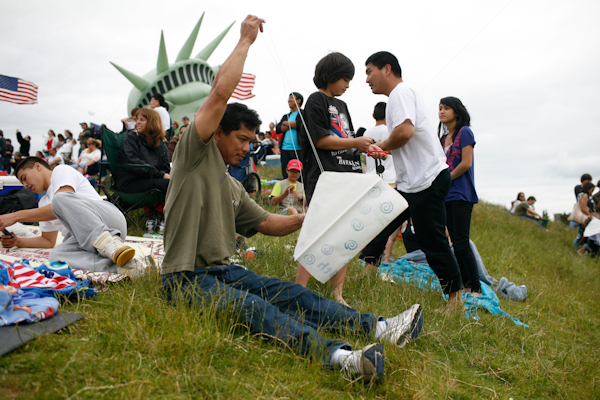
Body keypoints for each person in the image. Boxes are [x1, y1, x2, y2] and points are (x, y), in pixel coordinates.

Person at [161, 16, 423, 383]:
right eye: (240, 139)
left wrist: (309, 219)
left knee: (290, 294)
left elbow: (269, 224)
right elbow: (219, 94)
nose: (246, 148)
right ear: (216, 132)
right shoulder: (193, 156)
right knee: (254, 308)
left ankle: (381, 329)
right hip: (185, 278)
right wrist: (246, 41)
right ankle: (341, 358)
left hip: (225, 272)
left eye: (251, 141)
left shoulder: (232, 185)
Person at [365, 51, 463, 313]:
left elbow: (405, 131)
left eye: (369, 71)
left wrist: (381, 146)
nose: (366, 79)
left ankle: (456, 299)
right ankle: (366, 271)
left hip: (428, 180)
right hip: (411, 185)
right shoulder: (397, 97)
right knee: (384, 221)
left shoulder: (401, 93)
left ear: (387, 69)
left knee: (432, 241)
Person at [297, 52, 381, 307]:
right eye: (344, 79)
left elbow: (347, 139)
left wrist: (368, 149)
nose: (347, 85)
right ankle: (299, 289)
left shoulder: (342, 106)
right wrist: (356, 141)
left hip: (348, 174)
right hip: (324, 177)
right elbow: (321, 140)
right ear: (329, 76)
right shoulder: (315, 101)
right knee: (317, 232)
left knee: (346, 236)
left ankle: (338, 294)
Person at [0, 158, 148, 276]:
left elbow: (58, 205)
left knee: (59, 199)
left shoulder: (60, 171)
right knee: (56, 257)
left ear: (38, 166)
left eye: (24, 178)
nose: (25, 185)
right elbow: (47, 240)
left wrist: (16, 216)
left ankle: (108, 244)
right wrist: (17, 241)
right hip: (86, 242)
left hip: (108, 220)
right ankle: (128, 267)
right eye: (22, 183)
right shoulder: (43, 203)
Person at [438, 96, 481, 296]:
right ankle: (465, 285)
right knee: (454, 242)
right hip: (446, 196)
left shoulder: (465, 132)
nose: (442, 111)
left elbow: (466, 163)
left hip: (461, 193)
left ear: (457, 111)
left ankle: (476, 287)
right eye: (440, 108)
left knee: (462, 242)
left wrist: (446, 180)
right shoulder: (441, 139)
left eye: (446, 108)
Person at [117, 108, 170, 194]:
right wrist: (161, 175)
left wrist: (166, 174)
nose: (138, 122)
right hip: (131, 181)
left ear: (152, 122)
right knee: (170, 184)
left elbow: (165, 164)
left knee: (180, 182)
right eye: (137, 119)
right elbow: (133, 163)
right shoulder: (130, 138)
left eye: (142, 119)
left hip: (152, 178)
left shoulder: (159, 142)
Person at [276, 92, 304, 179]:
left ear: (298, 101)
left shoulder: (303, 113)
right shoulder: (286, 116)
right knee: (286, 173)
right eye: (289, 98)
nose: (289, 100)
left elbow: (301, 124)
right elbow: (278, 129)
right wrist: (291, 124)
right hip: (285, 149)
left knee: (299, 174)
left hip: (299, 149)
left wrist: (285, 124)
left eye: (292, 98)